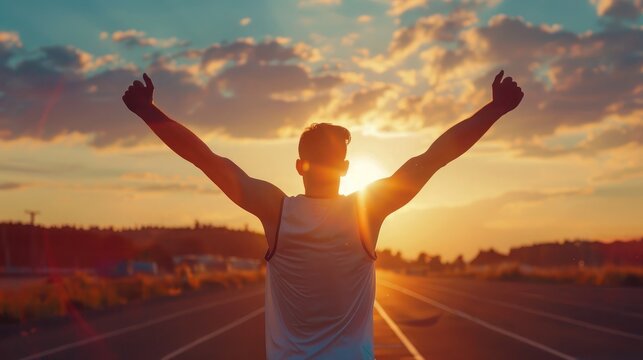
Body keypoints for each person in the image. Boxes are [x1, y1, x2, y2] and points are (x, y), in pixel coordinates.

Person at [122, 70, 523, 359]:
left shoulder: (276, 211)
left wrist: (148, 112)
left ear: (300, 165)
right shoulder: (368, 211)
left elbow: (206, 159)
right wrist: (495, 109)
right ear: (346, 168)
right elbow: (434, 157)